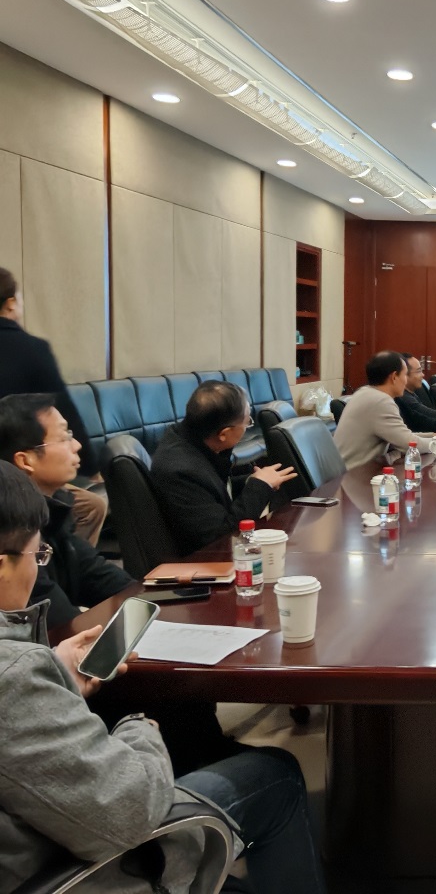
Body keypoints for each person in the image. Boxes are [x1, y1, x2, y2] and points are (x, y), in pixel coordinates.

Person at [0, 462, 327, 894]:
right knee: (276, 773)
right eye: (37, 555)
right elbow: (130, 810)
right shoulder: (13, 675)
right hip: (77, 872)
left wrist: (53, 673)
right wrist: (139, 726)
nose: (39, 566)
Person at [0, 395, 133, 627]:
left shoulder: (55, 510)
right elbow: (60, 624)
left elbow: (97, 575)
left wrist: (145, 601)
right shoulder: (15, 534)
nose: (77, 445)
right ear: (26, 460)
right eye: (64, 437)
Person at [0, 267, 107, 545]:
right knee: (89, 506)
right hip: (17, 470)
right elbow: (62, 409)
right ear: (10, 303)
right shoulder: (30, 348)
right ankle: (55, 563)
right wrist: (90, 465)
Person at [151, 381, 297, 556]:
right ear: (224, 434)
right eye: (247, 423)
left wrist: (251, 481)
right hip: (203, 561)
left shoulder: (190, 438)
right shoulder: (181, 471)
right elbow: (222, 537)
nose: (247, 427)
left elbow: (214, 489)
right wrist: (259, 487)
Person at [335, 351, 434, 468]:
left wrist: (435, 436)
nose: (406, 381)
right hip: (356, 474)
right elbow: (409, 444)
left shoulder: (366, 392)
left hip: (355, 471)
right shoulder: (380, 402)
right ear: (394, 377)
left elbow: (401, 436)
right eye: (405, 375)